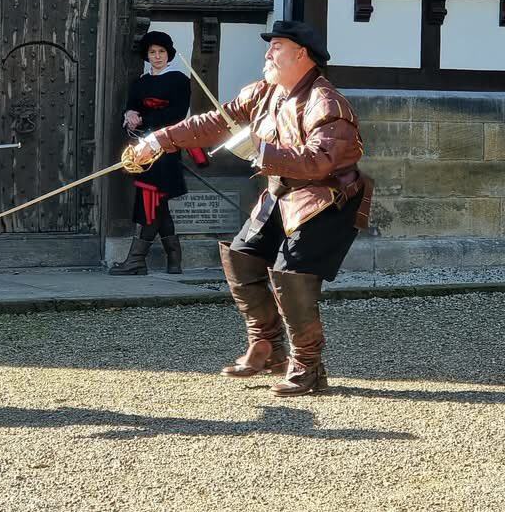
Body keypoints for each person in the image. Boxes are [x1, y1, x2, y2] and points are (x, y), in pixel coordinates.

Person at [130, 21, 373, 396]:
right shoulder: (263, 93)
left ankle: (308, 367)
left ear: (300, 54)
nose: (267, 54)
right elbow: (212, 122)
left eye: (276, 47)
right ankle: (267, 346)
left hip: (325, 199)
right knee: (242, 257)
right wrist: (159, 140)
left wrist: (261, 153)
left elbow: (322, 160)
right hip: (282, 192)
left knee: (291, 276)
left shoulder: (327, 102)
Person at [109, 31, 191, 275]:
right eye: (153, 52)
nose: (157, 56)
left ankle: (136, 260)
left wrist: (144, 117)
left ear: (169, 54)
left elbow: (177, 115)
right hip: (142, 148)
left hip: (165, 147)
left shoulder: (179, 80)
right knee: (159, 203)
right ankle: (174, 260)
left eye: (161, 52)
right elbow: (132, 104)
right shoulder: (141, 83)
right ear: (147, 55)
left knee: (152, 200)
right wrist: (129, 115)